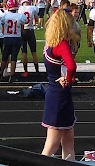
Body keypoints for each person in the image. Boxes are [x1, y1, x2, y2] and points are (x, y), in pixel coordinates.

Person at [41, 9, 77, 160]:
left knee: (68, 138)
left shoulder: (50, 42)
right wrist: (68, 78)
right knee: (51, 145)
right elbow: (71, 66)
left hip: (55, 91)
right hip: (60, 94)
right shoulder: (62, 44)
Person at [0, 0, 26, 83]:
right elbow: (22, 29)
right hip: (16, 38)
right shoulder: (21, 16)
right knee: (14, 58)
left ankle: (0, 74)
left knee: (4, 58)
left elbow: (2, 30)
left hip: (7, 38)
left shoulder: (4, 16)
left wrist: (6, 34)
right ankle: (12, 76)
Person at [18, 0, 39, 78]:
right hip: (30, 30)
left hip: (23, 31)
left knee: (24, 52)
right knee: (34, 52)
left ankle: (25, 71)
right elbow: (36, 19)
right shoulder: (33, 8)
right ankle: (37, 70)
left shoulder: (20, 9)